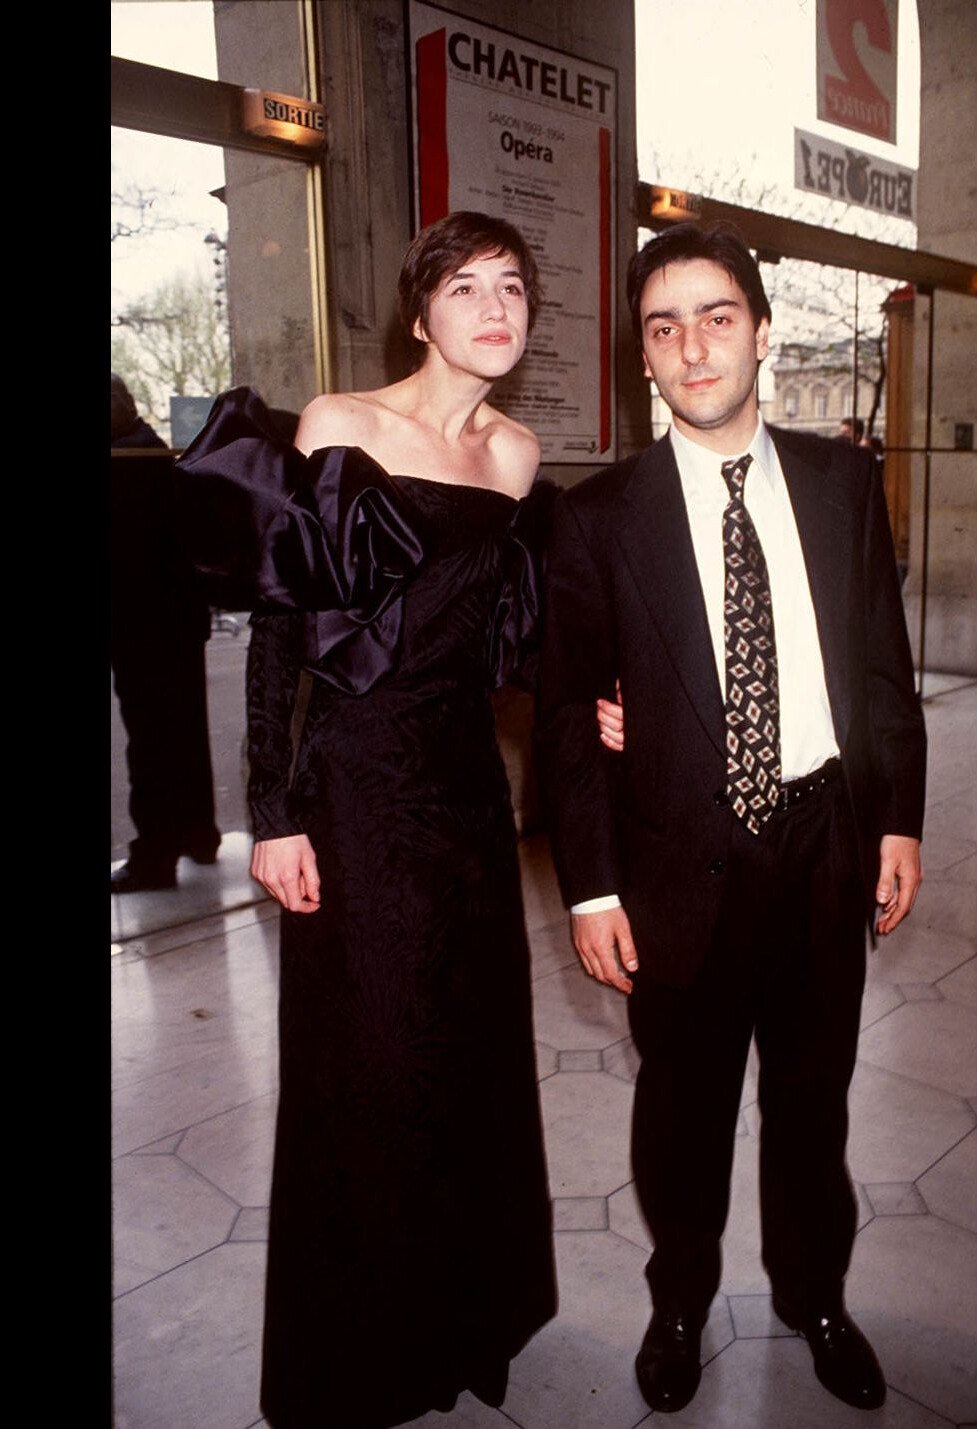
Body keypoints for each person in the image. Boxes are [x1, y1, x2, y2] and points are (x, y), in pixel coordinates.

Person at [175, 212, 566, 1428]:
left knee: (467, 1056)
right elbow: (281, 630)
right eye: (466, 288)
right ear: (419, 311)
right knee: (372, 1061)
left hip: (463, 787)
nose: (493, 309)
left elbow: (520, 635)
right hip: (352, 783)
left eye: (512, 288)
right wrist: (272, 810)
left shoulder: (517, 454)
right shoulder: (343, 422)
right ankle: (363, 1346)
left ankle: (461, 1317)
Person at [536, 221, 927, 1415]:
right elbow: (564, 719)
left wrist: (899, 820)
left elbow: (879, 674)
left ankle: (816, 1295)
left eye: (716, 319)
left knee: (815, 1099)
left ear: (763, 333)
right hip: (674, 865)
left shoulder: (843, 482)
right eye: (664, 329)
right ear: (643, 360)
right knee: (684, 1111)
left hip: (823, 846)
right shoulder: (597, 519)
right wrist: (592, 885)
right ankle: (678, 1298)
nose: (693, 348)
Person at [110, 372, 221, 892]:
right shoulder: (154, 453)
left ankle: (155, 856)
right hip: (173, 619)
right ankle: (199, 836)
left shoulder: (124, 464)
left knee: (151, 744)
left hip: (139, 622)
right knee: (183, 735)